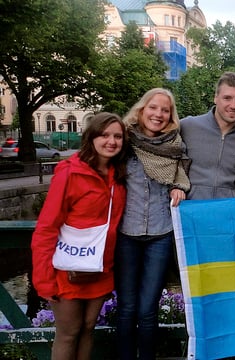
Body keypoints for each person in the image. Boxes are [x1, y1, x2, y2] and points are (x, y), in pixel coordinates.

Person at [31, 112, 127, 360]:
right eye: (104, 135)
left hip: (99, 267)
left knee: (87, 329)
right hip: (68, 267)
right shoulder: (70, 173)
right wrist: (43, 279)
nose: (112, 141)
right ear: (91, 137)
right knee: (68, 332)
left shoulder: (120, 175)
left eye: (118, 136)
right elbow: (47, 227)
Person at [115, 88, 191, 360]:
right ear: (142, 109)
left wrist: (178, 188)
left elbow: (180, 178)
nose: (158, 114)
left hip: (160, 234)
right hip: (126, 234)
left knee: (148, 310)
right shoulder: (123, 142)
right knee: (126, 308)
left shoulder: (174, 147)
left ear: (171, 116)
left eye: (165, 110)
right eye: (153, 108)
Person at [180, 71, 235, 200]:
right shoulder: (187, 126)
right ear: (215, 98)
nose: (233, 105)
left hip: (228, 214)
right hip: (190, 213)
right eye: (227, 98)